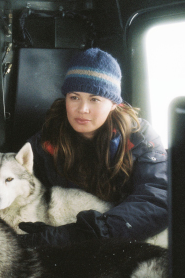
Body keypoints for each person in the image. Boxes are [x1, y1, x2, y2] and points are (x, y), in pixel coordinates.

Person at [18, 48, 168, 248]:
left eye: (95, 99)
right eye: (74, 97)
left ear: (114, 103)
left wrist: (88, 233)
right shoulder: (45, 142)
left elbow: (155, 199)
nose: (82, 109)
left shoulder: (141, 138)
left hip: (125, 240)